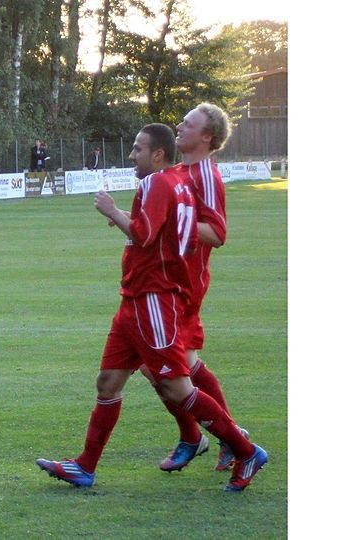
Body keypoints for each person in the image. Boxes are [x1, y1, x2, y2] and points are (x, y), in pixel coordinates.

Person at [35, 123, 267, 493]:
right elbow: (159, 232)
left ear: (157, 154)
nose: (132, 156)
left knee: (177, 387)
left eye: (138, 150)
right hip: (135, 299)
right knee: (108, 382)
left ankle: (245, 449)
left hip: (152, 300)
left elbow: (144, 234)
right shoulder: (177, 181)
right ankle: (85, 466)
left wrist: (113, 211)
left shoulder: (158, 183)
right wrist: (131, 223)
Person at [142, 103, 247, 473]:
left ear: (207, 136)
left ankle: (219, 437)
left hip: (183, 285)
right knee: (163, 365)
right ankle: (215, 436)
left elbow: (217, 233)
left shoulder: (206, 175)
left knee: (164, 366)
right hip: (167, 280)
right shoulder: (182, 170)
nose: (179, 126)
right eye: (181, 120)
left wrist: (170, 222)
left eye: (188, 124)